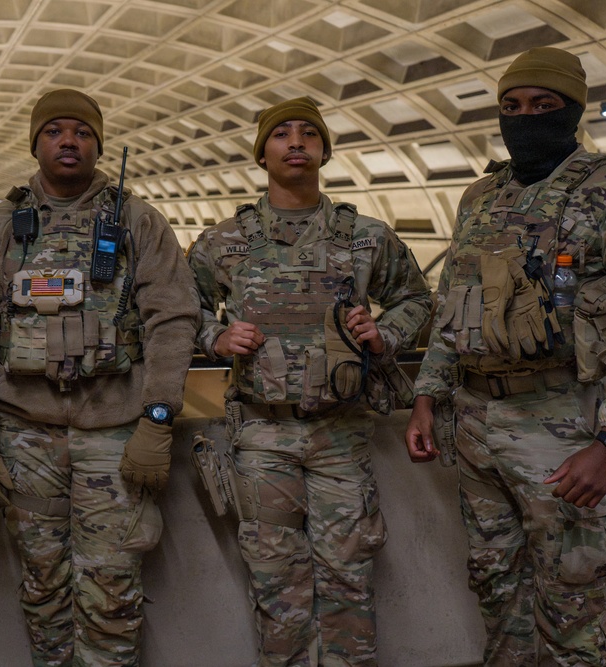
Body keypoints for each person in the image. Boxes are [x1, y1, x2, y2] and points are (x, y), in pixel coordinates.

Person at [405, 47, 606, 664]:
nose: (523, 115)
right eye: (511, 105)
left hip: (559, 428)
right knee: (498, 592)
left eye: (542, 104)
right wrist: (426, 397)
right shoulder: (479, 199)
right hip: (474, 426)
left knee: (572, 607)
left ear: (572, 111)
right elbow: (453, 306)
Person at [0, 88, 200, 667]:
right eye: (55, 130)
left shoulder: (137, 220)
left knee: (111, 588)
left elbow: (173, 319)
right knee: (42, 585)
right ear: (35, 142)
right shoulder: (1, 225)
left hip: (115, 435)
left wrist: (157, 418)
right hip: (25, 435)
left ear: (97, 144)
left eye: (82, 132)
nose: (68, 141)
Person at [188, 97, 432, 666]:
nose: (295, 142)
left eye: (308, 134)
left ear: (324, 150)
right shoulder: (225, 242)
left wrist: (384, 334)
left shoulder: (367, 237)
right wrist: (215, 338)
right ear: (262, 153)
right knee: (278, 590)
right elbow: (178, 310)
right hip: (261, 437)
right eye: (280, 134)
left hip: (341, 435)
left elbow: (417, 299)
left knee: (349, 581)